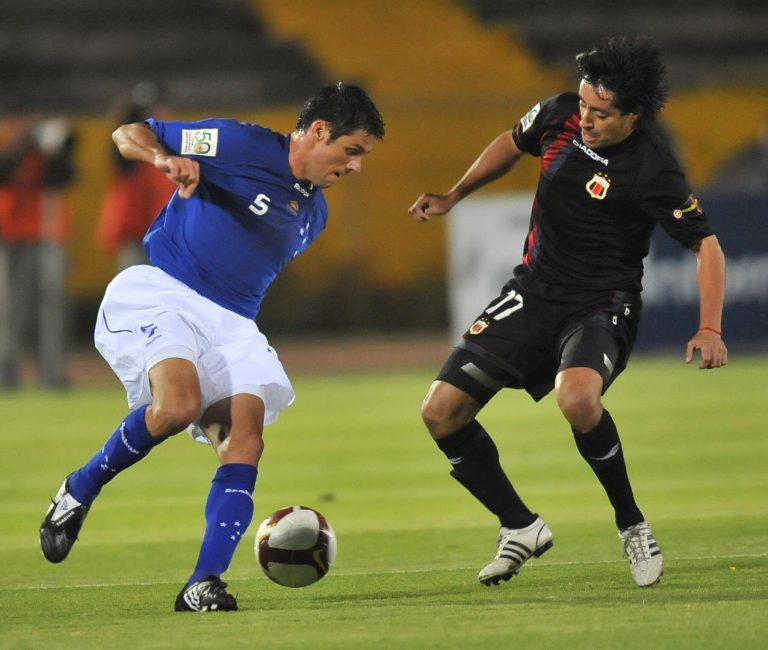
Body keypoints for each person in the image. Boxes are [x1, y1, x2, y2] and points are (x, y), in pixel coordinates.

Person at [40, 83, 385, 611]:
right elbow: (128, 132)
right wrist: (164, 158)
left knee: (245, 437)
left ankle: (203, 583)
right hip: (167, 292)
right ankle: (78, 490)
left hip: (234, 323)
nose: (355, 167)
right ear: (318, 132)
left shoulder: (315, 215)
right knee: (175, 407)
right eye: (352, 151)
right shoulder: (238, 143)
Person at [408, 36, 727, 588]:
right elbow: (510, 142)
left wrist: (709, 326)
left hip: (602, 304)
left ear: (634, 115)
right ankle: (520, 526)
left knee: (577, 398)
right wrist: (456, 193)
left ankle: (631, 524)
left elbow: (708, 246)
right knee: (440, 412)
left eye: (601, 113)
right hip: (533, 291)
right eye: (583, 105)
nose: (585, 119)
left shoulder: (654, 168)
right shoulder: (558, 114)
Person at [0, 115, 76, 389]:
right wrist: (20, 146)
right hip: (12, 238)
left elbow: (67, 175)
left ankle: (52, 376)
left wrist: (53, 150)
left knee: (52, 307)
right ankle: (6, 376)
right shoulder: (10, 150)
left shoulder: (46, 155)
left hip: (48, 236)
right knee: (12, 309)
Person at [97, 82, 175, 271]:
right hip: (135, 230)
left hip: (162, 231)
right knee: (136, 289)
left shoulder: (171, 142)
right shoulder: (130, 143)